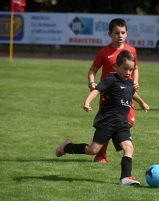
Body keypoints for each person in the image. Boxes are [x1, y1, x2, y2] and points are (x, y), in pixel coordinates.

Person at [55, 50, 150, 186]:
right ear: (116, 67)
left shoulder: (129, 83)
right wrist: (87, 101)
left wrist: (142, 102)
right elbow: (97, 90)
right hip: (107, 122)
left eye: (131, 69)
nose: (128, 72)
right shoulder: (111, 80)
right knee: (92, 150)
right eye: (125, 69)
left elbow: (131, 93)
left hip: (122, 124)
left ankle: (125, 178)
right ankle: (67, 147)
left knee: (129, 148)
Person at [87, 18, 139, 163]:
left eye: (122, 32)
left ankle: (123, 148)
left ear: (127, 33)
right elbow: (93, 70)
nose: (120, 35)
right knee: (110, 124)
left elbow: (136, 69)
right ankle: (100, 155)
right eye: (116, 33)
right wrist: (92, 82)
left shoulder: (132, 51)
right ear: (110, 34)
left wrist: (134, 83)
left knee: (128, 122)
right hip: (108, 95)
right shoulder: (104, 52)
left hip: (126, 93)